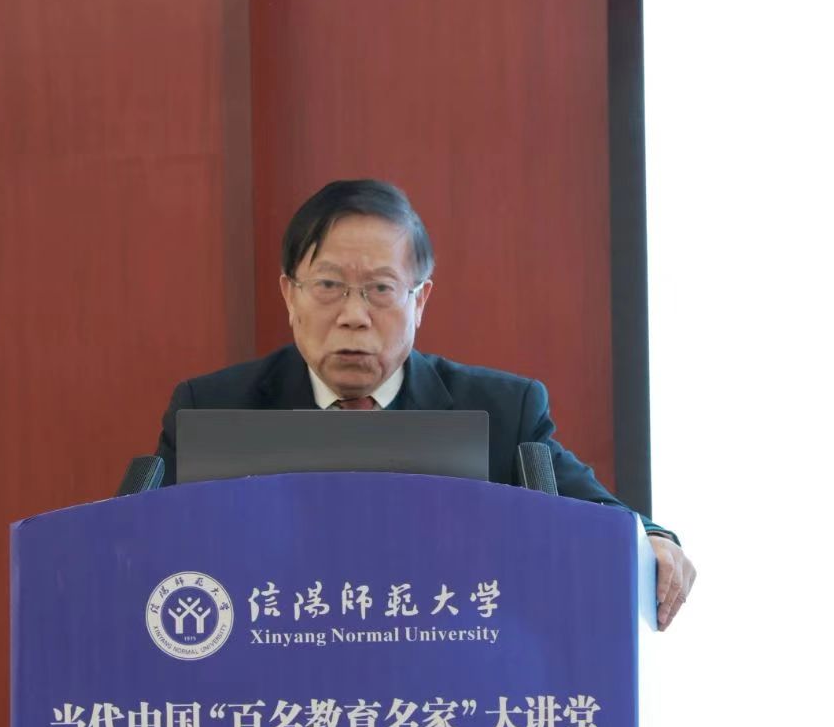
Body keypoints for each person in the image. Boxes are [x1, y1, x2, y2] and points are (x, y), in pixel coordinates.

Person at [156, 179, 696, 630]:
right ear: (289, 295)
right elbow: (133, 548)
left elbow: (601, 516)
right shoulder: (212, 409)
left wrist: (653, 540)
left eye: (380, 289)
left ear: (420, 301)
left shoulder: (500, 411)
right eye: (328, 285)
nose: (353, 316)